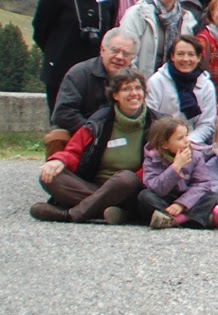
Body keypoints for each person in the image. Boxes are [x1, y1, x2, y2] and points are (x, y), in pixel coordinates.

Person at [30, 67, 153, 224]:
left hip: (129, 190)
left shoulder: (155, 124)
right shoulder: (98, 122)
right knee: (49, 176)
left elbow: (155, 167)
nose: (134, 93)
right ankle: (113, 212)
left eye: (138, 88)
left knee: (126, 178)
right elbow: (74, 151)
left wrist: (121, 185)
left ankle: (71, 215)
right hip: (91, 185)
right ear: (115, 95)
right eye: (126, 89)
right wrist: (58, 161)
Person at [33, 0, 120, 111]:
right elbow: (40, 28)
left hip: (98, 73)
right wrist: (57, 51)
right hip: (61, 71)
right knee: (64, 124)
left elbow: (111, 25)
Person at [138, 116, 218, 230]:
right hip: (165, 198)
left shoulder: (196, 155)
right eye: (180, 138)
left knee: (213, 197)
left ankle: (176, 220)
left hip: (188, 199)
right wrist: (176, 167)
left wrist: (181, 204)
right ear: (164, 144)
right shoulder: (153, 158)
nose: (186, 141)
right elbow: (155, 187)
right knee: (144, 196)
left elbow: (202, 183)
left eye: (186, 136)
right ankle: (190, 219)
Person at [120, 0, 199, 77]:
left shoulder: (186, 18)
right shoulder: (138, 14)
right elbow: (126, 52)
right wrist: (136, 81)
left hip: (173, 82)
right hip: (140, 82)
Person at [145, 35, 218, 145]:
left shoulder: (206, 85)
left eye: (191, 54)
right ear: (172, 56)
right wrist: (171, 143)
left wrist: (187, 142)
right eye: (180, 54)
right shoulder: (156, 81)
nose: (185, 59)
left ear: (198, 58)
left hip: (194, 144)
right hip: (162, 143)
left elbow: (206, 124)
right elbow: (151, 119)